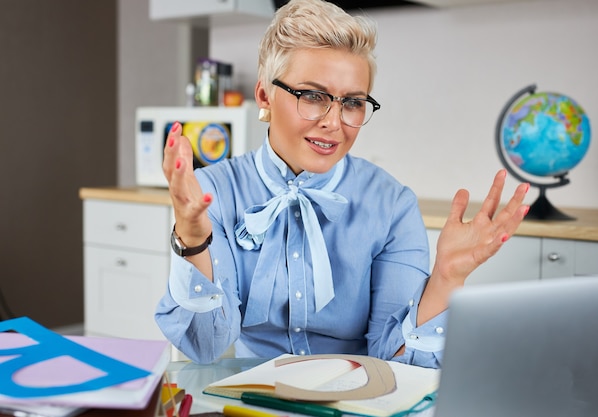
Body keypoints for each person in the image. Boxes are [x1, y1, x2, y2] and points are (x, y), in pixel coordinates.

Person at [155, 0, 529, 368]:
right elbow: (205, 345)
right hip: (251, 399)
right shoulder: (213, 193)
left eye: (352, 102)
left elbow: (398, 362)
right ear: (265, 95)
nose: (334, 122)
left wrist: (447, 277)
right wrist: (191, 240)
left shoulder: (392, 206)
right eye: (313, 96)